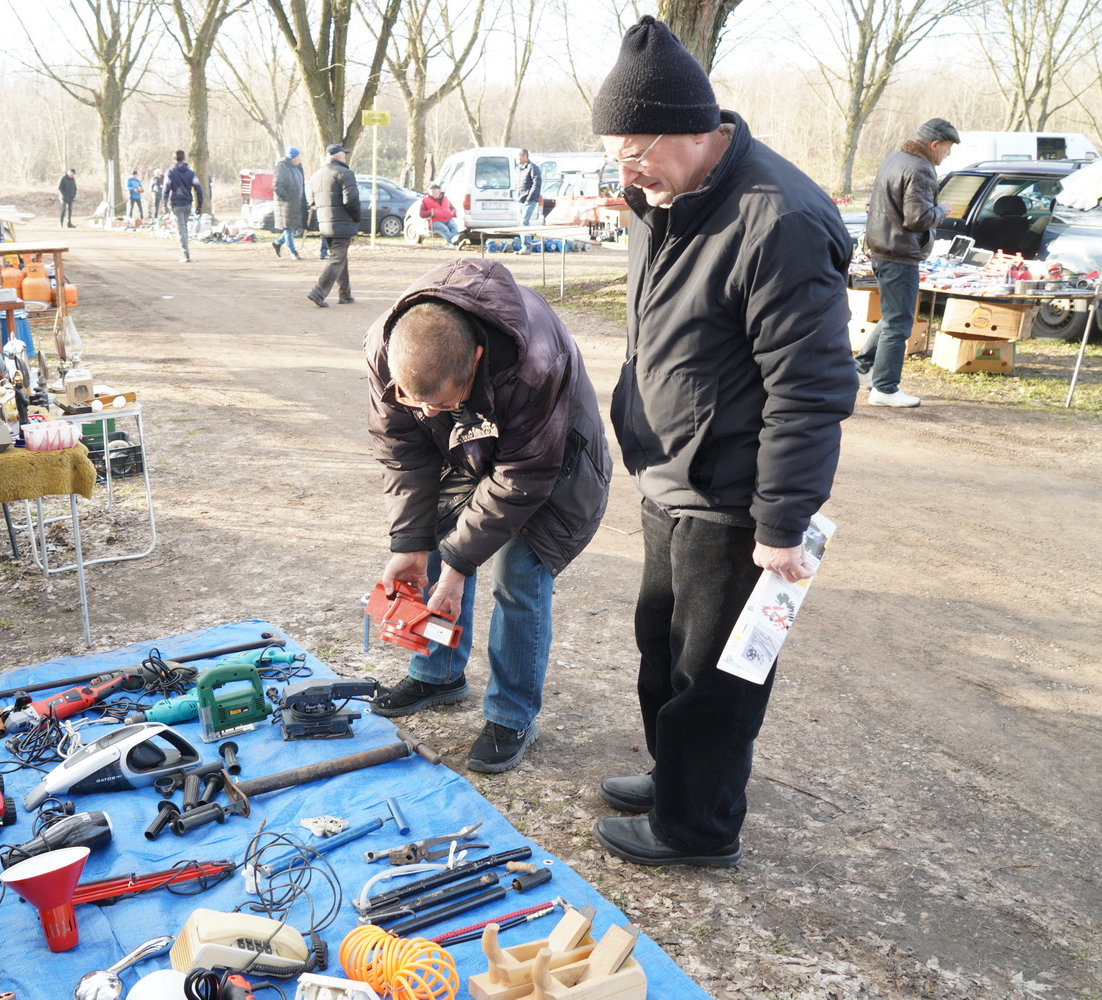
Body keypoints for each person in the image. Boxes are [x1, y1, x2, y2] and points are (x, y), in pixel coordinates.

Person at [589, 16, 858, 867]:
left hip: (735, 497)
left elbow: (810, 389)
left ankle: (696, 827)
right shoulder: (663, 200)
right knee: (662, 650)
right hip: (669, 478)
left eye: (635, 154)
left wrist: (781, 521)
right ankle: (673, 777)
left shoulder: (779, 221)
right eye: (616, 157)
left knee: (715, 675)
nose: (626, 173)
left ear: (689, 129)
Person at [366, 258, 611, 773]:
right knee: (435, 540)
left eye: (440, 402)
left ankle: (511, 714)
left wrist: (459, 567)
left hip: (551, 455)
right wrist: (409, 543)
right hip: (469, 444)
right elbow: (404, 452)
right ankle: (438, 674)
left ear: (475, 360)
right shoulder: (385, 349)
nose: (426, 413)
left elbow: (524, 476)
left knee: (519, 573)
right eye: (415, 401)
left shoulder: (535, 363)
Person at [856, 118, 960, 408]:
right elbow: (918, 219)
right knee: (899, 324)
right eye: (948, 148)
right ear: (935, 144)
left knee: (894, 317)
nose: (948, 154)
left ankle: (862, 368)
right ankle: (885, 389)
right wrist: (942, 210)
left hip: (883, 248)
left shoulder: (894, 159)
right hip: (899, 253)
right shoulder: (920, 168)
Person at [307, 144, 360, 307]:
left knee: (340, 257)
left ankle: (345, 294)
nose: (345, 157)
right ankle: (318, 292)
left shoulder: (316, 175)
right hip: (341, 223)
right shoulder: (345, 173)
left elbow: (312, 202)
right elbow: (351, 200)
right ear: (338, 156)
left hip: (325, 224)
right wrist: (356, 218)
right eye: (344, 154)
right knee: (337, 258)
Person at [164, 150, 204, 263]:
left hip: (177, 204)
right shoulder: (190, 173)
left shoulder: (170, 172)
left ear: (173, 158)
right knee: (184, 228)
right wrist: (199, 205)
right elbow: (198, 189)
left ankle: (185, 255)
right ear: (184, 158)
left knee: (181, 229)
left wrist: (164, 204)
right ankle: (185, 252)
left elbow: (166, 189)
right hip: (187, 204)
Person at [271, 148, 307, 260]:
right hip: (286, 203)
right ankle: (293, 252)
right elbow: (277, 185)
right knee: (288, 228)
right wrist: (288, 197)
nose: (299, 158)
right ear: (291, 158)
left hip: (296, 202)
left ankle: (277, 242)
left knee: (292, 227)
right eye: (297, 157)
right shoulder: (282, 167)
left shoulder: (298, 167)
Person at [516, 149, 543, 251]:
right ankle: (523, 246)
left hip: (529, 199)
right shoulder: (519, 169)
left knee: (524, 221)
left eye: (518, 156)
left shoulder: (533, 167)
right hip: (520, 199)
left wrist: (530, 197)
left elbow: (537, 183)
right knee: (520, 223)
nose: (517, 159)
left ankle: (527, 247)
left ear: (524, 156)